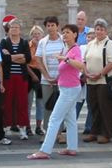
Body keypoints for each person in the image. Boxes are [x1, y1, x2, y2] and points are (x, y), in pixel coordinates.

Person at [27, 24, 84, 159]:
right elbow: (65, 70)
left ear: (75, 34)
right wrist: (56, 79)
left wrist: (66, 59)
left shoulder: (75, 49)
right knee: (70, 119)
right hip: (66, 87)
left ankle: (45, 150)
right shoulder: (66, 49)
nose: (64, 35)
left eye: (68, 32)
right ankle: (72, 148)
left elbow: (80, 66)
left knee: (54, 119)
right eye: (63, 32)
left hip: (70, 89)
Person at [83, 18, 112, 144]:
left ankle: (106, 133)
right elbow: (84, 60)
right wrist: (86, 73)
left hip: (104, 81)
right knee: (93, 107)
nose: (99, 32)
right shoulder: (91, 44)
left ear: (106, 31)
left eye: (102, 29)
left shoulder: (109, 44)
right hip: (91, 81)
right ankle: (94, 131)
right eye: (97, 29)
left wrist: (100, 74)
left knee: (105, 108)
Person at [0, 19, 31, 140]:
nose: (14, 29)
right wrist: (19, 56)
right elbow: (3, 58)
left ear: (20, 30)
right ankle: (6, 127)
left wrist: (11, 56)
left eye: (16, 27)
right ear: (9, 29)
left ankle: (23, 128)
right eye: (12, 27)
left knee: (22, 103)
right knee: (7, 102)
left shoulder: (24, 42)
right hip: (8, 77)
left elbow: (27, 58)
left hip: (22, 77)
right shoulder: (4, 42)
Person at [36, 16, 66, 133]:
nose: (50, 28)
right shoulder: (43, 42)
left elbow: (68, 58)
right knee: (48, 106)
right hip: (46, 80)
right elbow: (38, 60)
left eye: (53, 25)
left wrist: (59, 76)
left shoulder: (64, 40)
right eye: (48, 25)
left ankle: (59, 132)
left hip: (62, 79)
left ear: (57, 26)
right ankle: (48, 132)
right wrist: (47, 76)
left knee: (60, 107)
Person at [27, 25, 45, 136]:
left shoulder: (44, 46)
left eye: (38, 34)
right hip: (29, 73)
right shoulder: (27, 46)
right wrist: (32, 75)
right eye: (34, 34)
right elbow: (25, 62)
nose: (36, 36)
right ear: (31, 35)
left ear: (42, 35)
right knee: (28, 102)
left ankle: (38, 126)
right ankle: (27, 126)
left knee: (40, 102)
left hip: (41, 72)